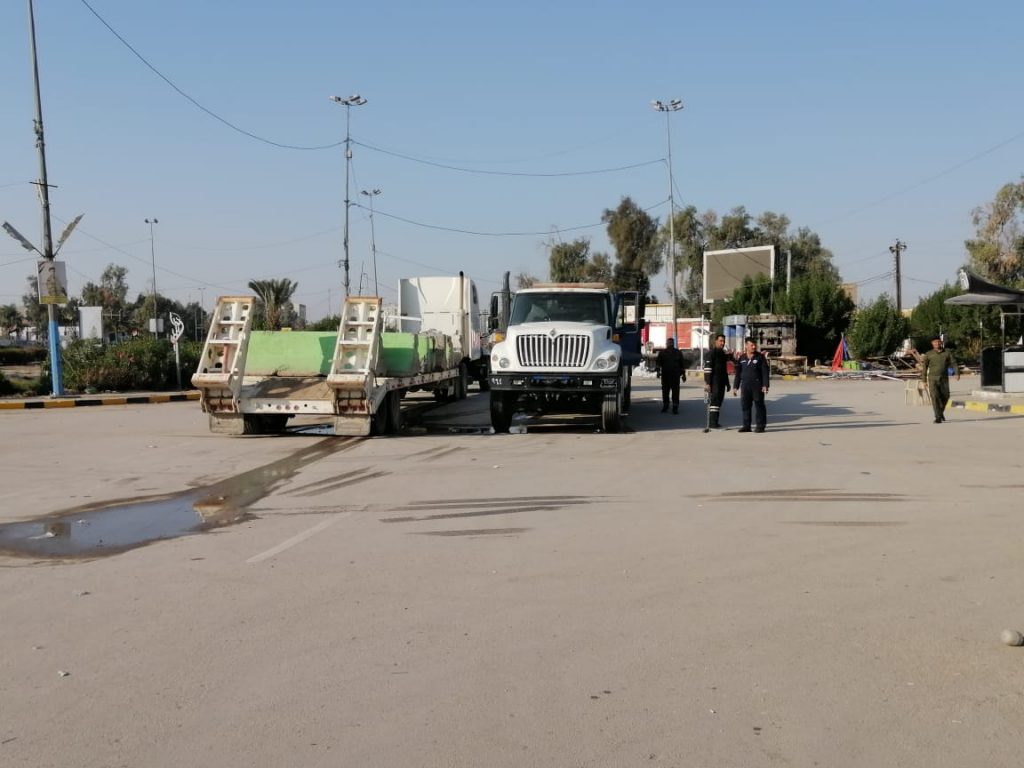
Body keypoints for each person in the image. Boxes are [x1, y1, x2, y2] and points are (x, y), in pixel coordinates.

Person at [733, 337, 770, 432]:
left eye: (755, 345)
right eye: (751, 345)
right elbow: (738, 374)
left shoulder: (760, 357)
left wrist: (765, 385)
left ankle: (760, 426)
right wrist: (735, 387)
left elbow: (765, 372)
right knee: (745, 406)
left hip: (757, 386)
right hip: (745, 386)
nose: (754, 347)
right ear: (746, 345)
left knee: (759, 405)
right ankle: (746, 426)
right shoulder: (742, 358)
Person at [921, 335, 959, 423]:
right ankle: (937, 417)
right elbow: (924, 368)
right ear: (932, 343)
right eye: (935, 342)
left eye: (938, 341)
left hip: (944, 378)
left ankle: (940, 412)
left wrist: (957, 373)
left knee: (946, 396)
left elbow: (954, 363)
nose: (937, 343)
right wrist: (924, 380)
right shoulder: (928, 354)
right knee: (934, 397)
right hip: (932, 379)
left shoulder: (947, 352)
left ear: (941, 342)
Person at [703, 333, 730, 428]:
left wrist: (727, 383)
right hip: (714, 382)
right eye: (720, 341)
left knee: (719, 401)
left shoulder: (722, 354)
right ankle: (712, 423)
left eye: (723, 341)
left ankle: (715, 421)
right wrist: (707, 383)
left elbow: (724, 370)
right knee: (714, 401)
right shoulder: (711, 354)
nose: (722, 343)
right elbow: (707, 369)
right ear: (716, 341)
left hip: (721, 381)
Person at [656, 337, 686, 414]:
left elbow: (682, 364)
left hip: (675, 375)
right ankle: (665, 406)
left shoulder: (678, 352)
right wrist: (658, 372)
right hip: (665, 375)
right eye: (668, 343)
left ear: (673, 343)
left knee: (675, 392)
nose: (670, 344)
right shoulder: (662, 353)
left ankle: (675, 407)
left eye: (671, 343)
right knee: (665, 391)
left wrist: (683, 375)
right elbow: (658, 363)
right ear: (666, 344)